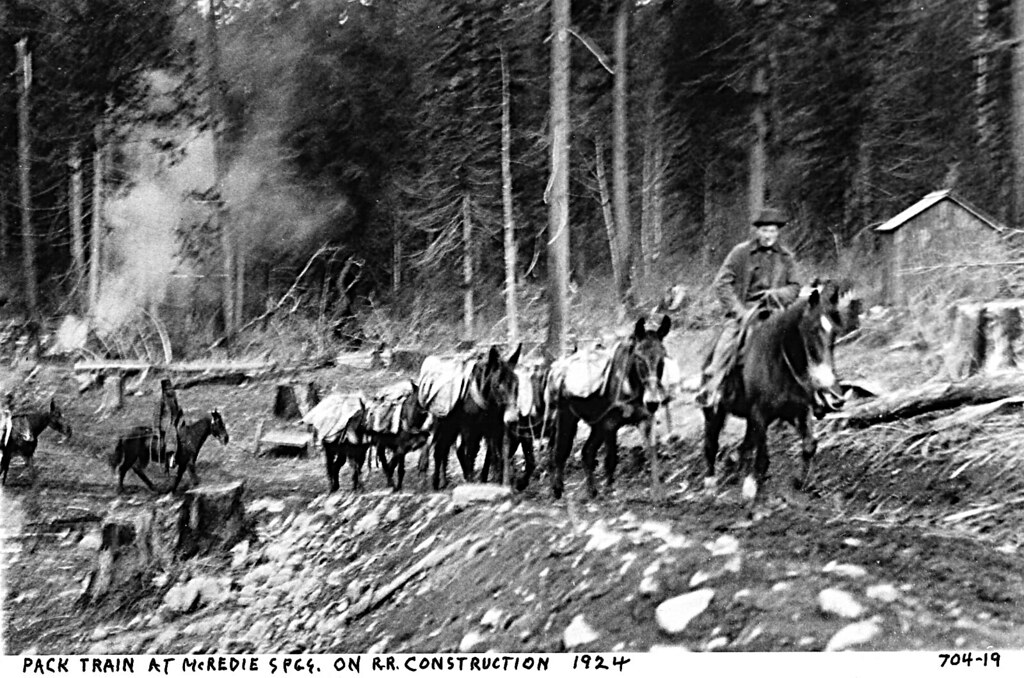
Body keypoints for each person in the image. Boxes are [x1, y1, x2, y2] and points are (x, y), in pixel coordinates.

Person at [695, 207, 801, 409]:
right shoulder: (740, 253)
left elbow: (795, 287)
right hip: (746, 312)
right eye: (764, 230)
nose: (768, 235)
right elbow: (722, 283)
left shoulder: (786, 257)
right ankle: (711, 389)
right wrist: (738, 311)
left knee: (803, 344)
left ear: (778, 232)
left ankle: (809, 395)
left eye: (772, 231)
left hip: (776, 313)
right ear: (757, 231)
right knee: (727, 344)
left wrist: (777, 295)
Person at [153, 378, 183, 472]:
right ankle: (170, 457)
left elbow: (177, 410)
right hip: (165, 424)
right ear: (164, 390)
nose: (170, 390)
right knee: (172, 435)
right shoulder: (161, 401)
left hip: (175, 422)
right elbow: (157, 415)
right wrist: (157, 428)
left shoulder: (173, 399)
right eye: (168, 389)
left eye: (171, 388)